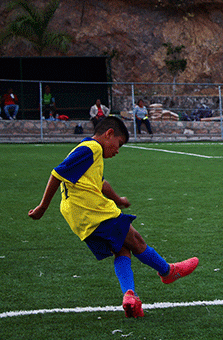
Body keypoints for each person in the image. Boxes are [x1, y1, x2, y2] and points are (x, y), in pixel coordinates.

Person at [28, 117, 198, 318]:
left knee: (122, 248)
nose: (117, 150)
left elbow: (100, 183)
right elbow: (57, 173)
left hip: (79, 218)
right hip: (93, 211)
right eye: (119, 144)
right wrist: (43, 206)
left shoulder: (89, 152)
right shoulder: (92, 148)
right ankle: (167, 271)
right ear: (109, 134)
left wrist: (118, 199)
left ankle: (130, 296)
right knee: (136, 240)